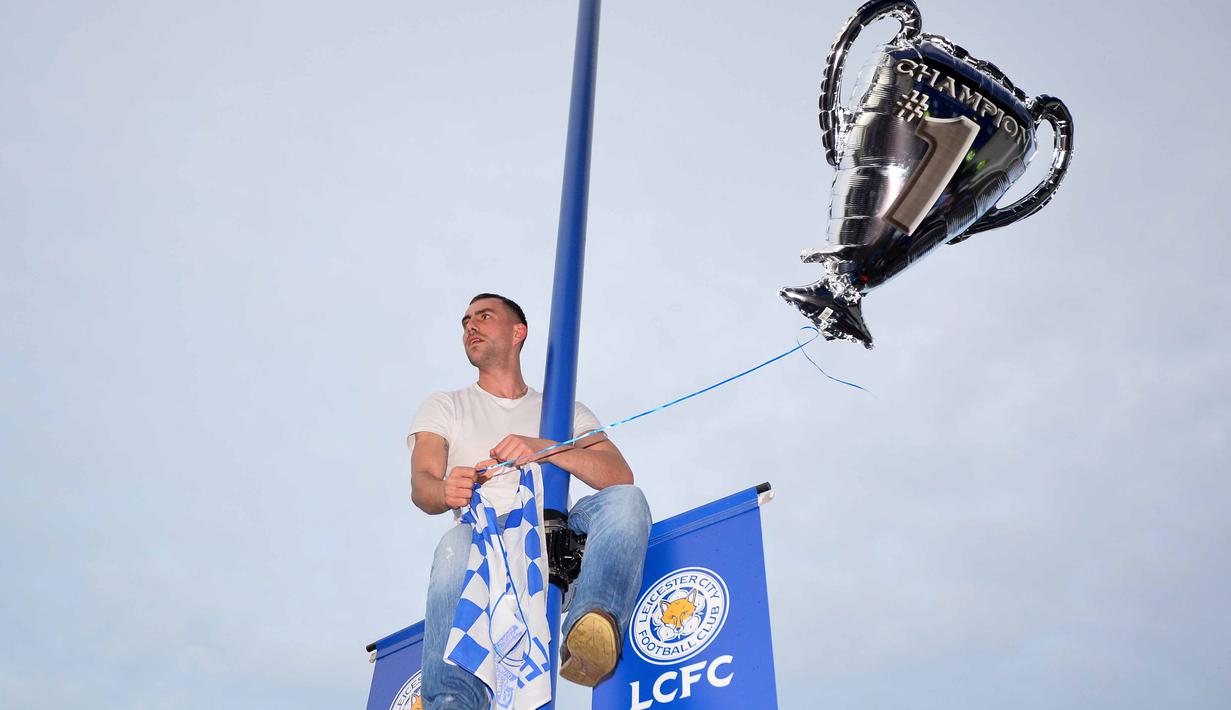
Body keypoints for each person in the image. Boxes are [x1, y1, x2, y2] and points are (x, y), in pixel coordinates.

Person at [409, 293, 652, 709]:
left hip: (553, 538)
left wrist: (545, 448)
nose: (471, 326)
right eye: (465, 320)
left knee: (628, 501)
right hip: (486, 543)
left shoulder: (562, 409)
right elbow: (422, 485)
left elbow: (618, 474)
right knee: (453, 546)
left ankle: (591, 628)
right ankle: (451, 701)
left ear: (518, 332)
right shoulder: (445, 404)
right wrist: (445, 488)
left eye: (484, 316)